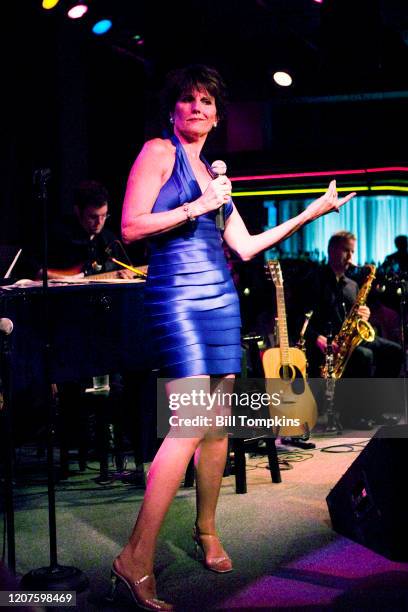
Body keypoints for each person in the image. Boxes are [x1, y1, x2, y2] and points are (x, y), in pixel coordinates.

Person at [112, 64, 356, 610]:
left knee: (217, 428)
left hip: (221, 299)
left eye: (207, 102)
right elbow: (130, 226)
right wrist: (197, 206)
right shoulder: (159, 152)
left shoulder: (215, 174)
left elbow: (245, 247)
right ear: (173, 110)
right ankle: (134, 558)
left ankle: (206, 530)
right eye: (188, 99)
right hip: (177, 296)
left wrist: (312, 213)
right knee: (189, 424)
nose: (197, 107)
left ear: (218, 117)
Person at [303, 231, 403, 429]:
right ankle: (351, 415)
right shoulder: (313, 280)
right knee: (364, 356)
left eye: (352, 252)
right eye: (345, 251)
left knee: (394, 351)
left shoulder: (352, 285)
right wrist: (318, 338)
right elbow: (298, 317)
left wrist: (363, 315)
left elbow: (353, 319)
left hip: (350, 339)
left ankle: (375, 411)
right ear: (332, 250)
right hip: (327, 342)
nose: (350, 257)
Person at [35, 180, 135, 280]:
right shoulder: (58, 235)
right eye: (93, 217)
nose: (99, 222)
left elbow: (127, 269)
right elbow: (37, 271)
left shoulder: (110, 240)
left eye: (104, 216)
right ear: (78, 211)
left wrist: (126, 275)